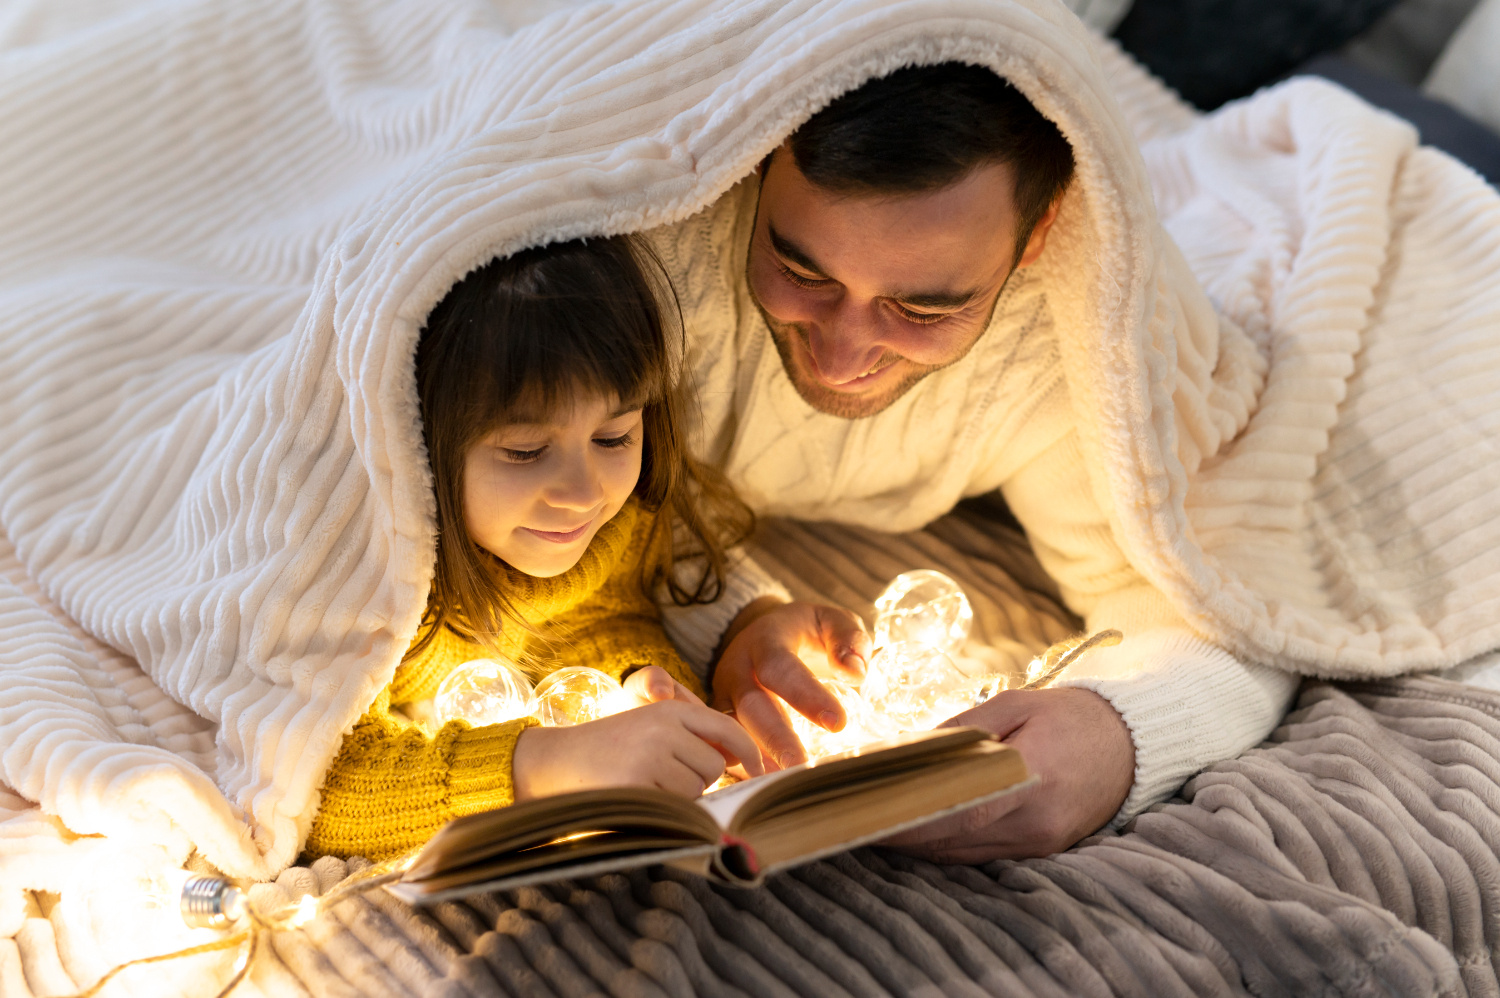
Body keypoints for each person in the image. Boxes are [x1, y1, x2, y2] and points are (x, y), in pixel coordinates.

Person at [646, 62, 1301, 860]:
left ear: (1038, 236)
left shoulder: (1076, 345)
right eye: (801, 270)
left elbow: (1229, 602)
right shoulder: (657, 252)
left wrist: (1114, 733)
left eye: (923, 306)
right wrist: (735, 614)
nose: (841, 354)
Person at [302, 234, 865, 860]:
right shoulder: (353, 564)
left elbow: (602, 613)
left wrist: (639, 681)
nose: (582, 493)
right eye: (524, 451)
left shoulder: (620, 521)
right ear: (414, 444)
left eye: (614, 436)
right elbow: (312, 783)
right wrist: (548, 767)